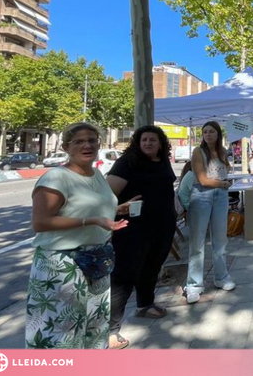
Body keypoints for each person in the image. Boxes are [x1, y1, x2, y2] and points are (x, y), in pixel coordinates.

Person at [27, 122, 136, 349]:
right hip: (61, 264)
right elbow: (40, 222)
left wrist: (117, 208)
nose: (87, 145)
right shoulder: (56, 178)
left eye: (92, 140)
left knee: (95, 326)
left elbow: (88, 207)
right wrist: (92, 220)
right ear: (67, 147)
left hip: (97, 259)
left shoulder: (96, 174)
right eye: (79, 141)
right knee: (60, 332)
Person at [106, 126, 177, 349]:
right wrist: (118, 209)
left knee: (151, 268)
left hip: (162, 225)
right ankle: (110, 329)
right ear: (137, 142)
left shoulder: (163, 160)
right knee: (125, 276)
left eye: (152, 140)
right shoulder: (127, 162)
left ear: (160, 143)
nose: (148, 143)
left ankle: (144, 305)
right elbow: (106, 196)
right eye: (144, 140)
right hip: (133, 229)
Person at [185, 121, 235, 305]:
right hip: (202, 195)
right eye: (205, 132)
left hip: (221, 195)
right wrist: (222, 183)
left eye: (211, 131)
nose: (207, 134)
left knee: (220, 239)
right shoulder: (198, 152)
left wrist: (224, 183)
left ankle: (221, 276)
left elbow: (225, 170)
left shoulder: (222, 150)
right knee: (197, 241)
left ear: (218, 133)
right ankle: (193, 284)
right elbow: (203, 180)